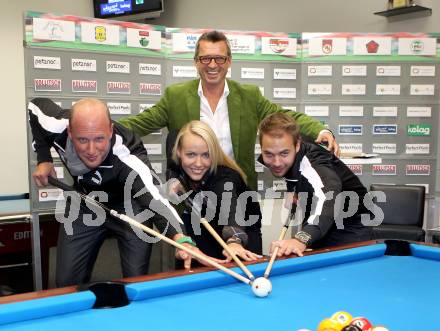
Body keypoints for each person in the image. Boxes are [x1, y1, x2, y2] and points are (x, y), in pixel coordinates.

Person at [118, 30, 339, 190]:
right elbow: (138, 124)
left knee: (247, 254)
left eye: (219, 58)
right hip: (192, 196)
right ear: (196, 62)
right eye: (205, 58)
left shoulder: (249, 95)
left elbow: (287, 118)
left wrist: (321, 131)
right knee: (194, 255)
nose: (212, 65)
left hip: (239, 194)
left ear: (229, 61)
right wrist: (100, 131)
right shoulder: (175, 96)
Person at [28, 97, 212, 287]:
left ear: (110, 131)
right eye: (82, 140)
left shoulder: (126, 154)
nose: (91, 150)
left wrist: (181, 238)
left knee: (135, 282)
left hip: (130, 205)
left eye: (99, 138)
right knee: (66, 283)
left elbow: (154, 197)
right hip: (85, 203)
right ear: (70, 132)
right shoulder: (54, 125)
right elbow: (34, 106)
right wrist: (44, 158)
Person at [258, 112, 372, 257]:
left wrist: (301, 238)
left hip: (351, 226)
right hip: (321, 223)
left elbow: (327, 197)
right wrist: (293, 191)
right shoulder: (287, 155)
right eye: (268, 154)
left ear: (297, 145)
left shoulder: (314, 163)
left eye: (284, 153)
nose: (276, 162)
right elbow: (295, 172)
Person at [168, 120, 262, 261]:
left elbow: (231, 210)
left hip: (243, 233)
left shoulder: (225, 179)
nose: (198, 163)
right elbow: (172, 140)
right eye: (191, 155)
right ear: (178, 152)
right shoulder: (175, 162)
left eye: (206, 155)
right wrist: (173, 180)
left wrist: (234, 240)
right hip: (204, 224)